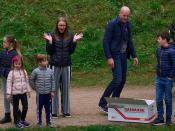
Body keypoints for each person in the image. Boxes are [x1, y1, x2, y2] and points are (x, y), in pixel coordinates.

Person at [98, 6, 138, 113]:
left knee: (122, 80)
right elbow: (105, 42)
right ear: (119, 14)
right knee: (117, 79)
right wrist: (109, 57)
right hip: (114, 56)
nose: (125, 18)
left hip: (124, 55)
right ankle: (102, 103)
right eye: (124, 15)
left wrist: (134, 55)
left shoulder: (128, 24)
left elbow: (129, 41)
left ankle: (114, 102)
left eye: (127, 16)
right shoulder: (111, 24)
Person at [44, 16, 83, 117]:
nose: (62, 27)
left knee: (65, 89)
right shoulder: (51, 35)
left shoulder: (70, 35)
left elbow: (71, 51)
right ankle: (54, 111)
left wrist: (74, 41)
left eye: (64, 25)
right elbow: (49, 51)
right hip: (54, 65)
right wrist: (50, 42)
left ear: (66, 26)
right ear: (57, 25)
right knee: (54, 88)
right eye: (60, 25)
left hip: (66, 65)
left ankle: (66, 111)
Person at [152, 32, 175, 126]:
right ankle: (160, 118)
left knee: (168, 99)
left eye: (159, 38)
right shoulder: (158, 50)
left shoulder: (172, 51)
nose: (158, 40)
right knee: (158, 99)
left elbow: (174, 65)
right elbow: (159, 62)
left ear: (164, 39)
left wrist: (170, 77)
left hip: (167, 79)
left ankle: (168, 119)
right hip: (159, 78)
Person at [29, 54, 55, 127]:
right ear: (39, 62)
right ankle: (39, 122)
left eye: (46, 60)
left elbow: (53, 81)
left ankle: (48, 122)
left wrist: (52, 91)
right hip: (40, 95)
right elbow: (31, 80)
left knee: (48, 109)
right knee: (39, 109)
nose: (46, 62)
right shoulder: (35, 71)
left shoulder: (50, 71)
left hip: (48, 94)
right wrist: (35, 88)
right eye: (44, 61)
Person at [0, 35, 21, 124]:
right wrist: (2, 71)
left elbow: (16, 67)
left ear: (11, 43)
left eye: (5, 42)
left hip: (12, 79)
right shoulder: (2, 52)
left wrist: (8, 73)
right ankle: (7, 115)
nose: (3, 43)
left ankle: (18, 113)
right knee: (5, 96)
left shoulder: (15, 54)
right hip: (4, 78)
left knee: (11, 97)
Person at [6, 55, 31, 128]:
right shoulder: (11, 73)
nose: (17, 65)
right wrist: (8, 93)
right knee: (16, 108)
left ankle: (22, 120)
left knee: (25, 106)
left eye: (19, 64)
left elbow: (27, 82)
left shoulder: (24, 71)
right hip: (15, 93)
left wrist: (28, 91)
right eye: (16, 64)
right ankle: (16, 122)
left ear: (21, 64)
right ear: (13, 63)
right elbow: (9, 83)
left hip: (23, 93)